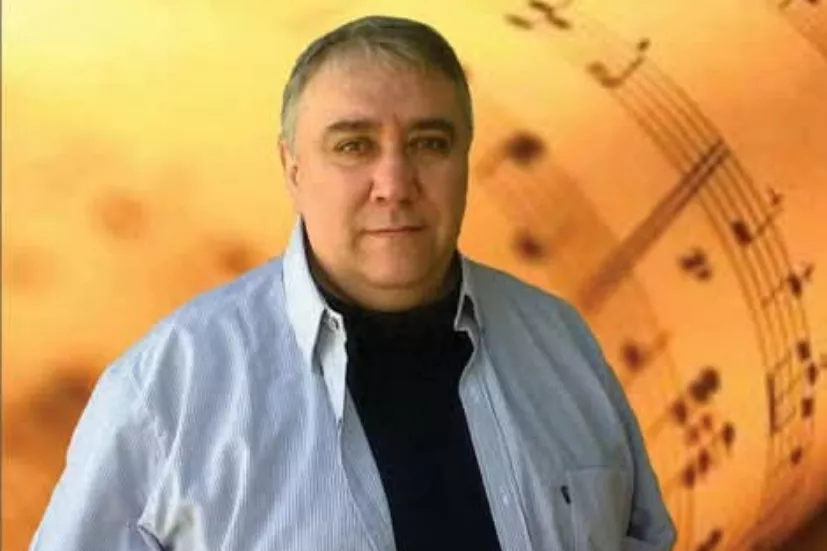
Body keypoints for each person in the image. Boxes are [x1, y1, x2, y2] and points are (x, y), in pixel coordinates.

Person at [31, 14, 677, 551]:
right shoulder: (162, 393)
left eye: (429, 142)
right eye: (353, 146)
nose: (394, 184)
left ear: (464, 158)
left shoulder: (562, 340)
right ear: (291, 168)